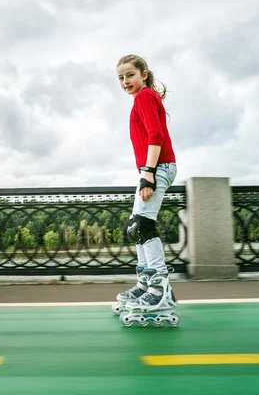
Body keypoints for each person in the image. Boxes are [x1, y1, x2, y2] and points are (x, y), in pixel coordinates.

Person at [111, 54, 179, 325]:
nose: (126, 81)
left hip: (158, 167)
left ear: (144, 74)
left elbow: (156, 135)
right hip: (153, 168)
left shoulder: (144, 97)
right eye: (121, 78)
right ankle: (144, 284)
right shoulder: (144, 99)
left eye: (130, 75)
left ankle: (159, 290)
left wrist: (148, 174)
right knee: (136, 226)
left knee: (144, 226)